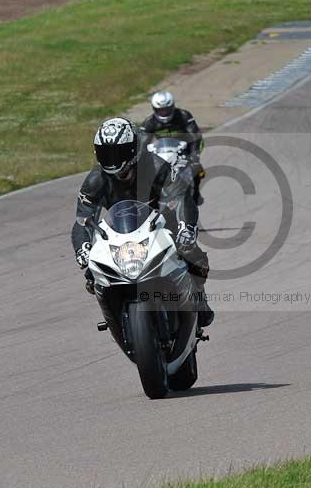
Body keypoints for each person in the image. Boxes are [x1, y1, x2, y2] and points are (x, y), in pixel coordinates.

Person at [71, 117, 214, 333]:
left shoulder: (156, 166)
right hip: (121, 232)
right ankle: (115, 319)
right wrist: (82, 248)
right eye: (106, 153)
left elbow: (182, 196)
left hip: (160, 224)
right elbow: (83, 219)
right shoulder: (96, 179)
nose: (112, 160)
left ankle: (198, 299)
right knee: (92, 277)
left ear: (132, 149)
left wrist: (186, 227)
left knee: (192, 254)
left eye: (118, 153)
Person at [141, 91, 206, 204]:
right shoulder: (149, 122)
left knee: (197, 168)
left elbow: (196, 136)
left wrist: (195, 156)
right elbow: (142, 143)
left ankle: (195, 193)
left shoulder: (184, 116)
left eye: (167, 109)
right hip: (162, 151)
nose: (164, 112)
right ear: (154, 109)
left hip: (184, 150)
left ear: (172, 106)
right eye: (161, 110)